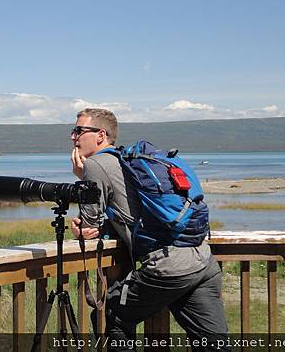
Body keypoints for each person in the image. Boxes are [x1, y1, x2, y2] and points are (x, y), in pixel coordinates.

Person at [69, 107, 229, 352]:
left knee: (112, 315)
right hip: (203, 260)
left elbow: (89, 224)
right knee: (214, 345)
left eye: (79, 131)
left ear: (100, 135)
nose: (73, 137)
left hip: (169, 267)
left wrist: (83, 183)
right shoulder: (128, 160)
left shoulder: (96, 165)